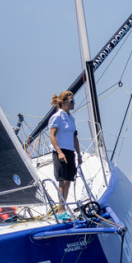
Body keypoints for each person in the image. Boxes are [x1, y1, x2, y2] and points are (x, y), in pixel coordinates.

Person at [48, 91, 82, 219]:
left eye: (74, 101)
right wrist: (59, 152)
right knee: (62, 180)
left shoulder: (71, 118)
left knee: (69, 180)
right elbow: (52, 136)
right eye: (71, 101)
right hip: (60, 151)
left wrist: (78, 155)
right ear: (63, 102)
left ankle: (64, 207)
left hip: (70, 151)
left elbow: (75, 138)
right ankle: (60, 211)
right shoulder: (57, 117)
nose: (73, 104)